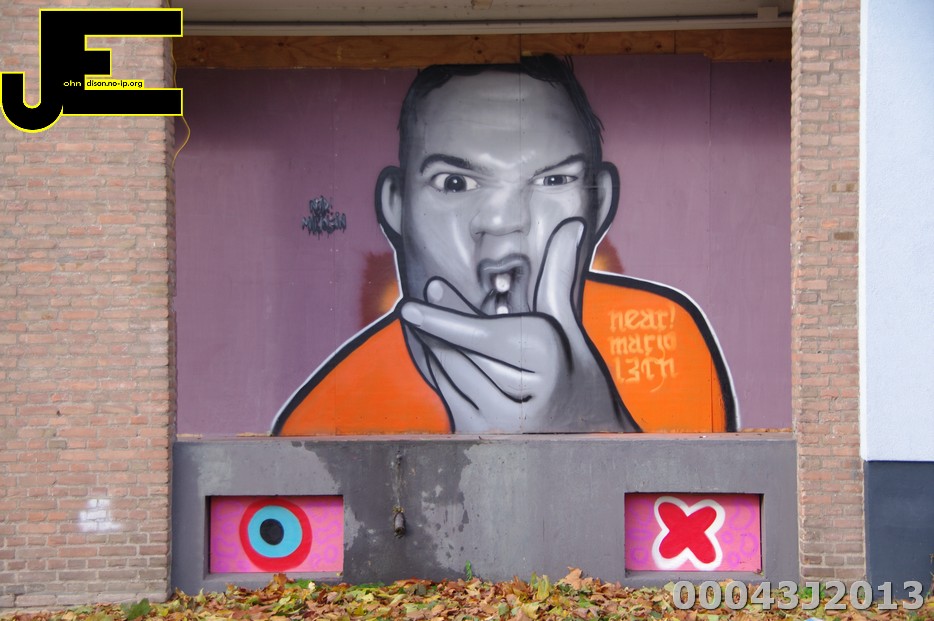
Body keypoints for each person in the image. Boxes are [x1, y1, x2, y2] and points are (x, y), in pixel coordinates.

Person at [273, 55, 737, 435]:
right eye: (454, 182)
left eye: (554, 180)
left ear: (600, 203)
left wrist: (596, 421)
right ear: (396, 207)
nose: (503, 223)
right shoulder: (323, 418)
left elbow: (694, 515)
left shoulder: (668, 338)